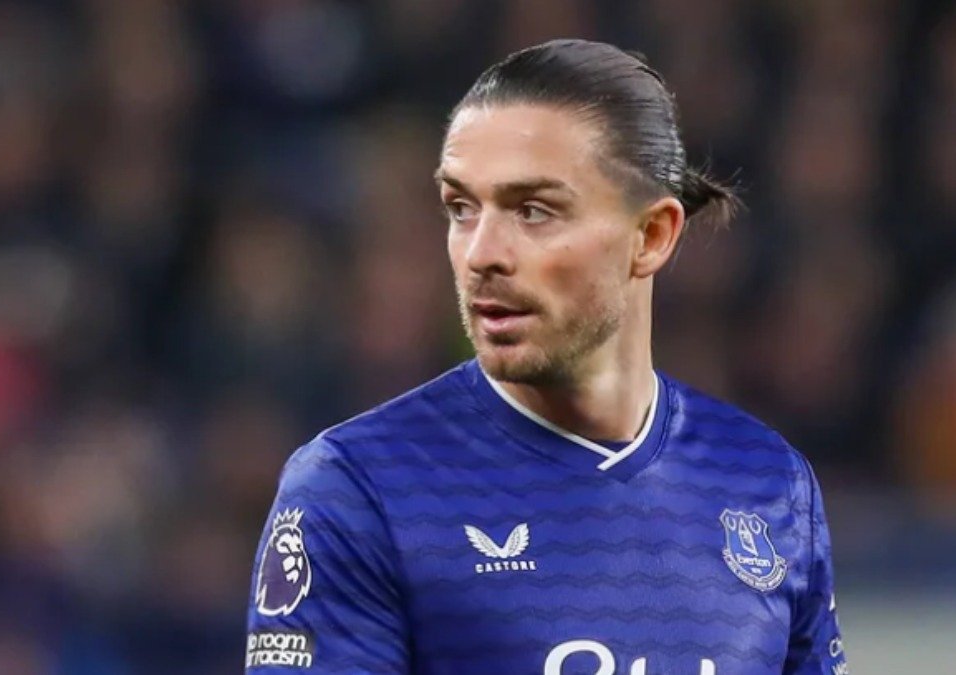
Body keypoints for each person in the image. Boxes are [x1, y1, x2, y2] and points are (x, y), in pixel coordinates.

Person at [244, 39, 848, 675]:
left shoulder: (767, 482)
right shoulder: (359, 489)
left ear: (651, 236)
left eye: (533, 211)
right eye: (461, 209)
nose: (482, 254)